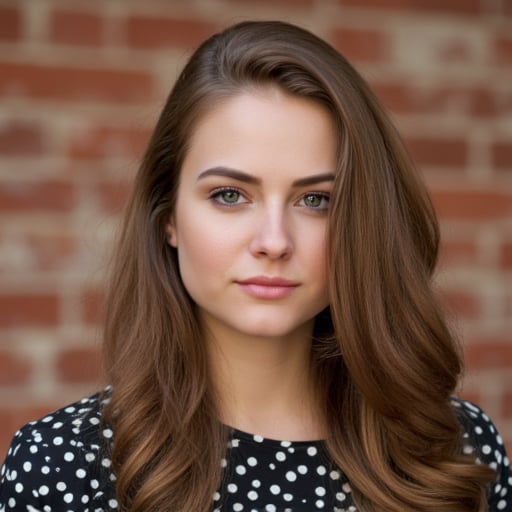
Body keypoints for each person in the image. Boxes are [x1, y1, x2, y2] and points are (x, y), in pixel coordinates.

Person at [0, 20, 510, 512]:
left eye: (315, 200)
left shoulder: (456, 451)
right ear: (168, 217)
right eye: (229, 195)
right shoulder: (61, 466)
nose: (273, 241)